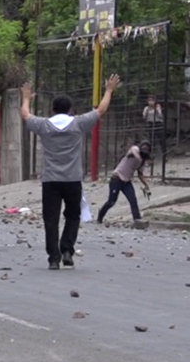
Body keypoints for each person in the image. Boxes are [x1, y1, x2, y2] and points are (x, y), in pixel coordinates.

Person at [21, 74, 120, 270]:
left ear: (52, 109)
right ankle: (67, 249)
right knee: (72, 215)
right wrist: (108, 90)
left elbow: (25, 115)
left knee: (51, 219)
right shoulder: (78, 123)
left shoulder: (44, 125)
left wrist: (25, 98)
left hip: (50, 180)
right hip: (72, 179)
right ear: (70, 110)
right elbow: (101, 110)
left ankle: (53, 258)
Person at [97, 141, 152, 226]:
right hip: (117, 178)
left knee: (133, 200)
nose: (145, 150)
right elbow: (133, 150)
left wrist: (146, 184)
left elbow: (140, 174)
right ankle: (100, 215)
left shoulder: (142, 161)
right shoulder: (135, 150)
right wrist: (139, 157)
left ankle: (137, 220)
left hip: (126, 182)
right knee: (112, 201)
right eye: (144, 148)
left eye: (147, 149)